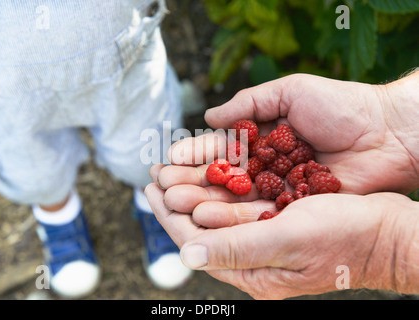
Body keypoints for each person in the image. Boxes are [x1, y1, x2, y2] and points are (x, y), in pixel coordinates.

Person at [0, 0, 193, 298]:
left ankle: (155, 202)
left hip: (117, 45)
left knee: (145, 145)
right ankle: (57, 214)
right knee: (30, 166)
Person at [145, 70, 419, 299]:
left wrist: (385, 246)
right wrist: (391, 116)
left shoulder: (283, 164)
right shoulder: (267, 159)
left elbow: (281, 170)